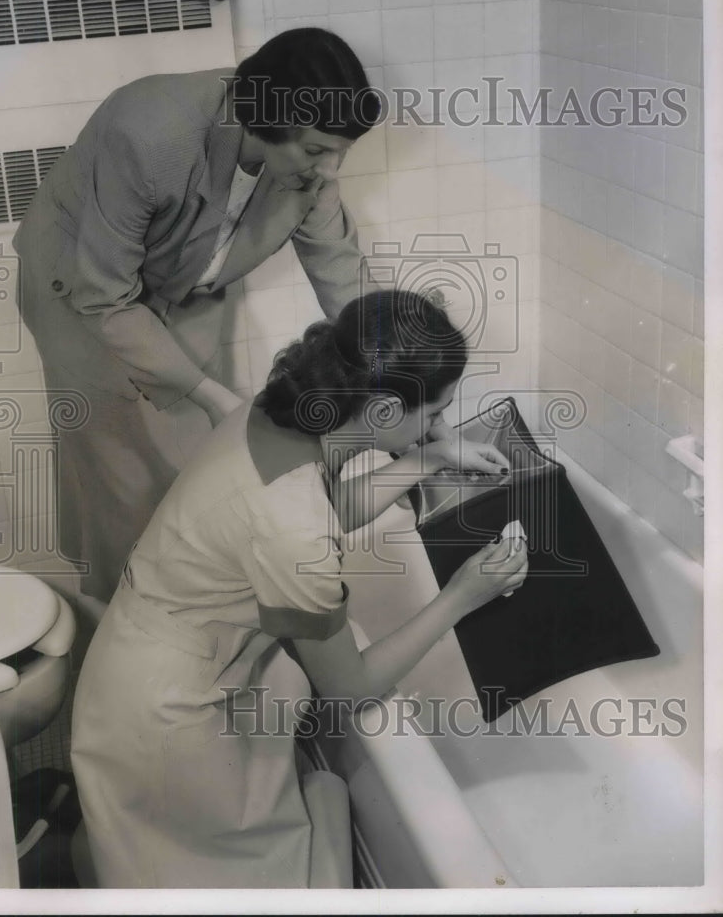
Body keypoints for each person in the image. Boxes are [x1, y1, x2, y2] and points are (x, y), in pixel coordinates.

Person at [70, 289, 528, 888]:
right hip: (168, 720)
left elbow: (321, 507)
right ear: (386, 412)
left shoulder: (275, 412)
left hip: (134, 665)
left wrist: (434, 457)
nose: (439, 423)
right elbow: (349, 689)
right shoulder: (291, 527)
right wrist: (463, 594)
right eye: (434, 413)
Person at [13, 27, 383, 601]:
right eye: (315, 151)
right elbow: (103, 296)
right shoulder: (150, 133)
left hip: (181, 279)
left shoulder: (310, 168)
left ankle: (189, 595)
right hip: (81, 289)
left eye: (340, 151)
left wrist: (406, 379)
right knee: (124, 472)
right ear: (266, 118)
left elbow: (339, 266)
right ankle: (123, 614)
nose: (331, 170)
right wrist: (210, 396)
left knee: (194, 454)